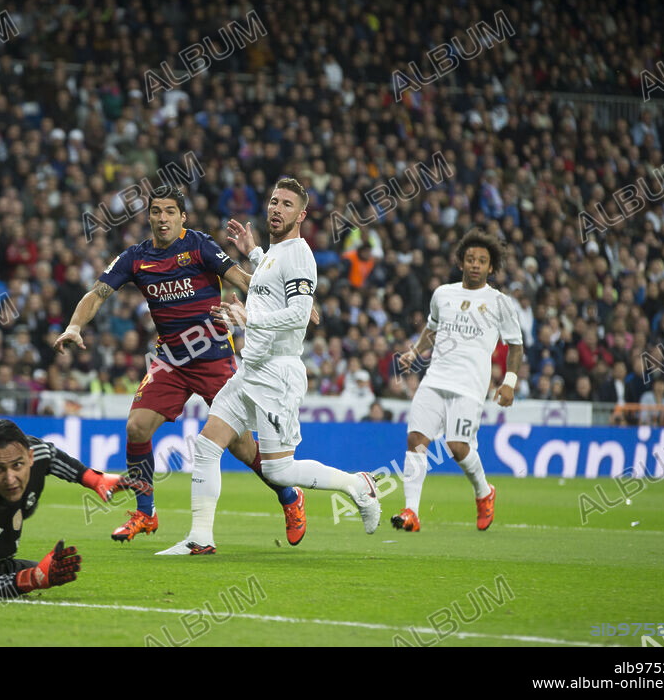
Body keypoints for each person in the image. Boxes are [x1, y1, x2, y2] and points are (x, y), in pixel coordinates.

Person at [53, 185, 311, 545]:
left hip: (213, 356)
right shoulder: (135, 258)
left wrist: (291, 301)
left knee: (241, 446)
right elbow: (97, 293)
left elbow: (245, 280)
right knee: (137, 427)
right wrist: (74, 326)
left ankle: (290, 497)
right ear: (149, 217)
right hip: (171, 360)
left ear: (182, 217)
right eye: (156, 211)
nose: (162, 218)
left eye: (170, 212)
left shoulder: (201, 246)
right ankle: (146, 513)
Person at [157, 178, 380, 555]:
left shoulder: (299, 255)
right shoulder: (276, 254)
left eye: (287, 204)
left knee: (278, 470)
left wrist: (248, 320)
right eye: (274, 201)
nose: (277, 209)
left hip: (278, 374)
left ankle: (358, 486)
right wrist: (255, 253)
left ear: (301, 215)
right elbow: (271, 286)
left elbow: (298, 315)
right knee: (209, 444)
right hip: (250, 370)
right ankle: (200, 539)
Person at [0, 419, 147, 597]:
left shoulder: (38, 453)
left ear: (31, 458)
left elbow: (53, 456)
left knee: (33, 565)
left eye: (17, 465)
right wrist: (32, 580)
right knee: (18, 572)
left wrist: (94, 479)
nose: (11, 478)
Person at [394, 228, 524, 532]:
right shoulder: (443, 294)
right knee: (415, 440)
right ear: (461, 263)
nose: (475, 264)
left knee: (457, 447)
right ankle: (411, 512)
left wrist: (510, 382)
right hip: (435, 378)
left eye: (482, 260)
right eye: (470, 259)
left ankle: (483, 491)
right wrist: (414, 352)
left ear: (491, 267)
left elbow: (516, 344)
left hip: (470, 385)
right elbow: (432, 328)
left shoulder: (500, 302)